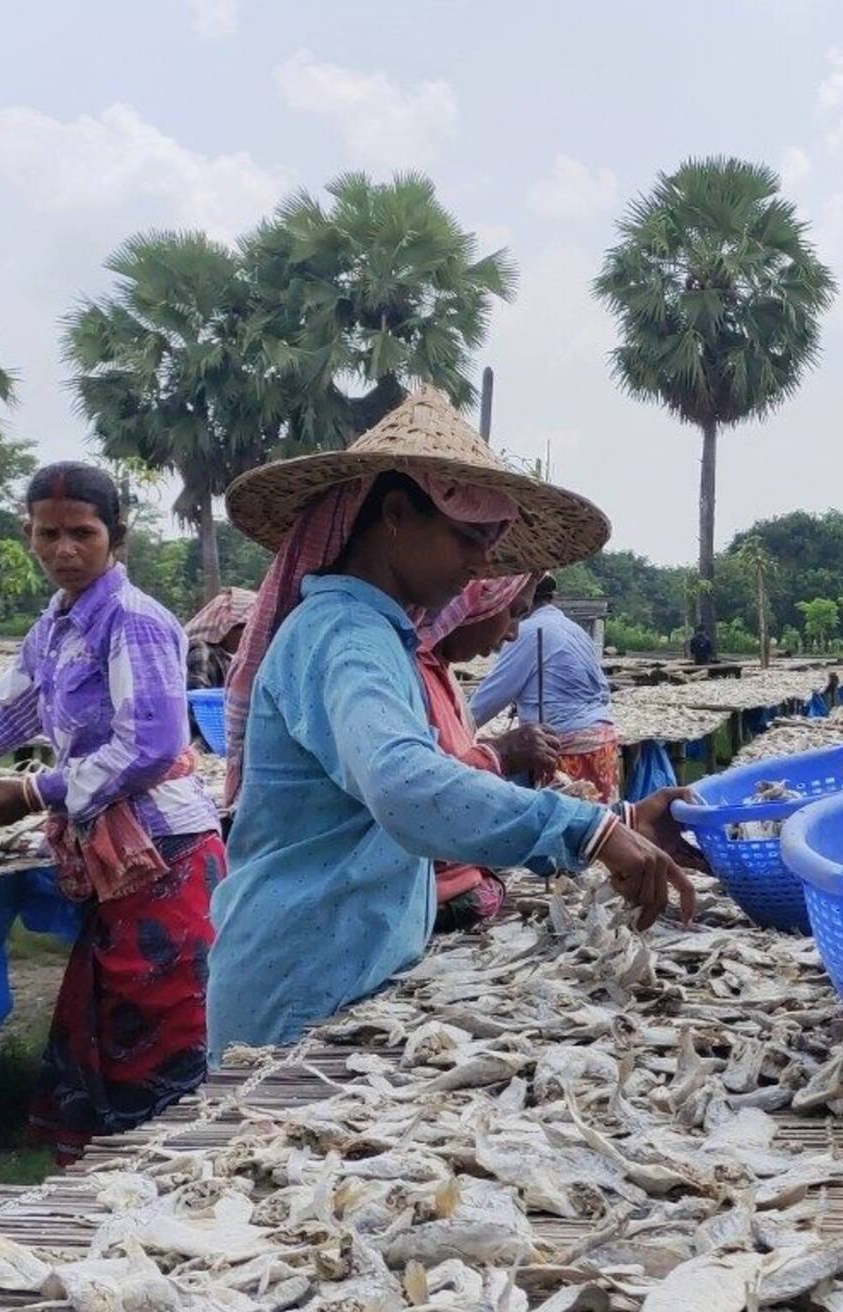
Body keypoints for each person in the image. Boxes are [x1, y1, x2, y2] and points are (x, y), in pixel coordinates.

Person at [208, 389, 702, 1053]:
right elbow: (405, 786)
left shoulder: (375, 637)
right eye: (466, 539)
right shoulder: (343, 636)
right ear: (394, 516)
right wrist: (587, 831)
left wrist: (624, 819)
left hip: (342, 971)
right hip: (301, 984)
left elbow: (434, 808)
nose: (478, 567)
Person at [0, 462, 223, 1164]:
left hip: (164, 853)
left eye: (83, 532)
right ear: (28, 534)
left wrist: (31, 792)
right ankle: (112, 1175)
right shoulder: (55, 627)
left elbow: (151, 743)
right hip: (114, 859)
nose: (64, 549)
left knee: (161, 1029)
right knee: (109, 1023)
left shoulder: (132, 620)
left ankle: (164, 1170)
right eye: (49, 534)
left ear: (117, 537)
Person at [414, 573, 562, 931]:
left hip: (468, 880)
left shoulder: (441, 673)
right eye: (513, 612)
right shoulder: (406, 674)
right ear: (475, 599)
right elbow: (413, 797)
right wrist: (500, 754)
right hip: (432, 899)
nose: (512, 633)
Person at [470, 575, 621, 803]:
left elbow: (489, 699)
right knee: (598, 826)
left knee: (562, 828)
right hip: (602, 742)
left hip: (566, 749)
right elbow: (602, 691)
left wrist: (452, 729)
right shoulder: (575, 629)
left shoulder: (529, 630)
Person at [183, 587, 256, 690]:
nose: (250, 636)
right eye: (246, 629)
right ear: (227, 627)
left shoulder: (225, 656)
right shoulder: (200, 650)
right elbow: (197, 696)